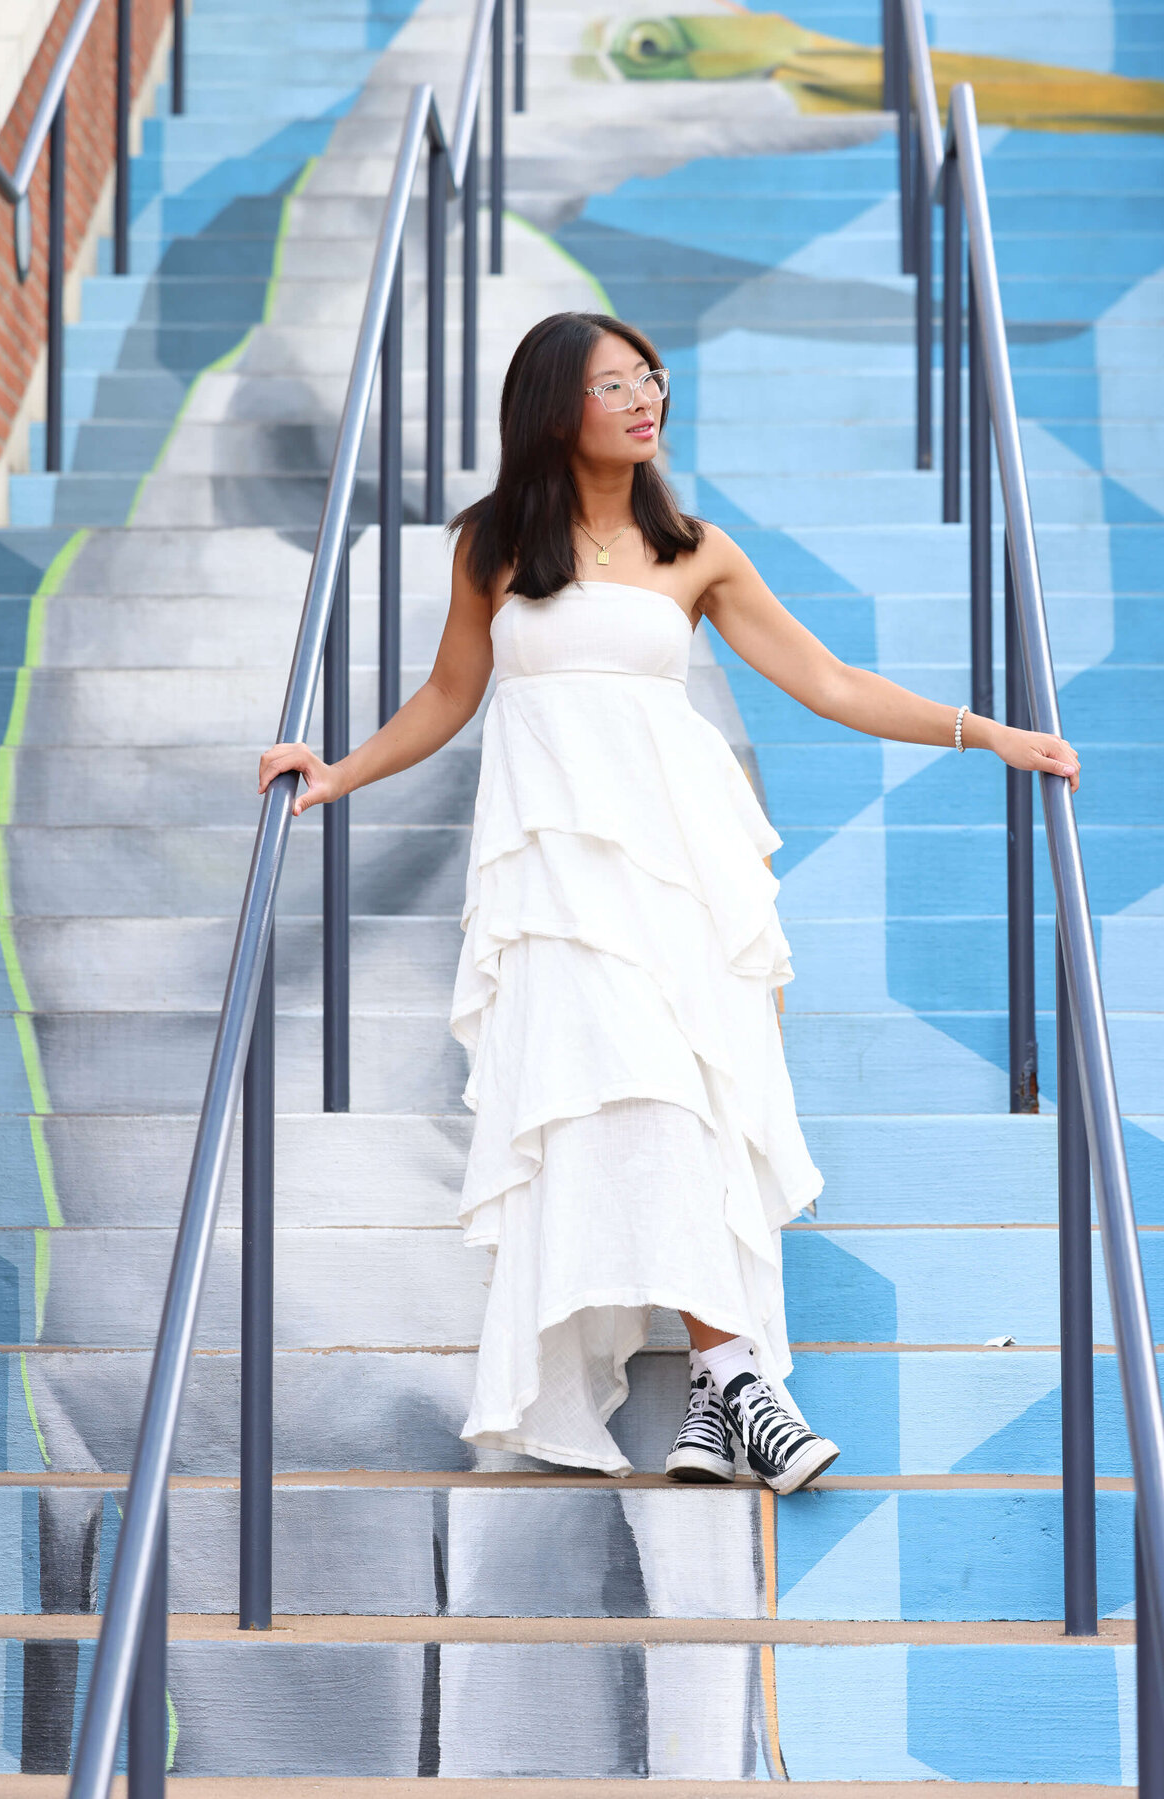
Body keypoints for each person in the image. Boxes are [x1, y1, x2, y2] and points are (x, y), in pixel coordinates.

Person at [259, 310, 1081, 1494]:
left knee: (694, 1107)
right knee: (627, 1099)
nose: (645, 400)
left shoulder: (696, 548)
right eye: (615, 384)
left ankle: (721, 1397)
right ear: (556, 407)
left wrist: (984, 731)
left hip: (683, 867)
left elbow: (829, 679)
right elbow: (449, 693)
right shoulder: (493, 545)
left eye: (650, 379)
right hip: (557, 881)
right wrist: (336, 772)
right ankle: (740, 1386)